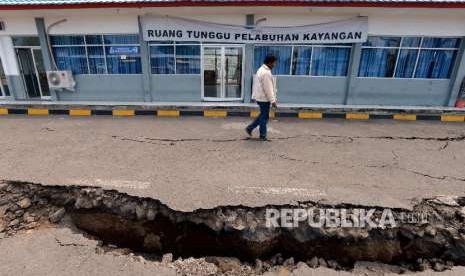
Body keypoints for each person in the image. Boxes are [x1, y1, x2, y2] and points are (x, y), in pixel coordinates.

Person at [246, 54, 277, 141]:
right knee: (264, 117)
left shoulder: (261, 69)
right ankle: (262, 135)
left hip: (260, 97)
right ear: (270, 62)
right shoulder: (266, 73)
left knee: (262, 115)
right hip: (264, 98)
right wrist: (273, 101)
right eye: (274, 63)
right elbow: (268, 89)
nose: (275, 65)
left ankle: (250, 128)